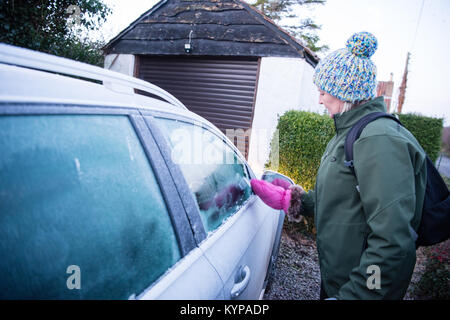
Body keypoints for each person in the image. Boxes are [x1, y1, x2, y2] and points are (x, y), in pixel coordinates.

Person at [250, 32, 428, 300]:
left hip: (355, 289)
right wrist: (293, 200)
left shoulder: (379, 140)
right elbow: (346, 201)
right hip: (340, 279)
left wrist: (361, 294)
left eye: (323, 92)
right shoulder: (349, 132)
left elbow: (392, 240)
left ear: (345, 93)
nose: (319, 100)